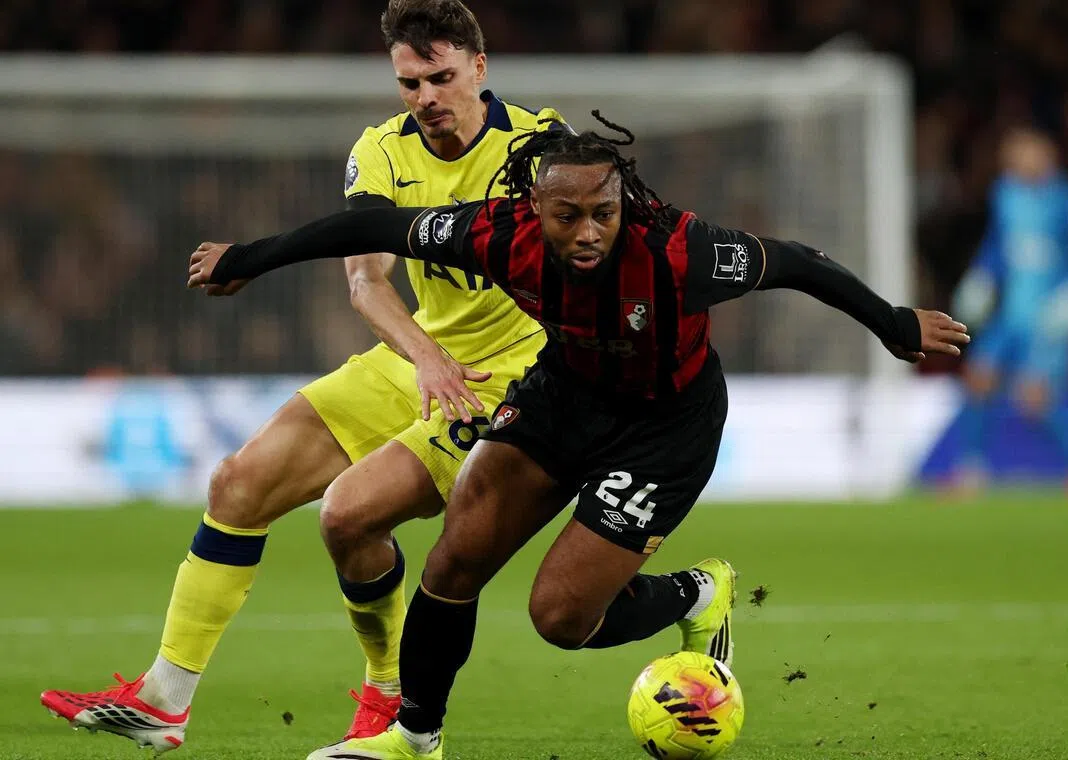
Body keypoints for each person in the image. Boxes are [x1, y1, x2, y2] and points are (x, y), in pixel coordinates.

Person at [188, 115, 971, 759]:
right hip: (565, 395)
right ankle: (414, 736)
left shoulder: (678, 251)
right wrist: (249, 260)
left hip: (665, 428)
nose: (589, 231)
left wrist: (894, 323)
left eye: (604, 212)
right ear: (536, 209)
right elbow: (369, 224)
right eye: (569, 216)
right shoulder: (497, 234)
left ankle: (697, 592)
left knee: (560, 618)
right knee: (457, 553)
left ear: (623, 200)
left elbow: (799, 263)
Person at [40, 0, 568, 752]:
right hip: (420, 356)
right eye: (409, 82)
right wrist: (424, 356)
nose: (425, 98)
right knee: (238, 484)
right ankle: (164, 699)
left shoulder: (540, 145)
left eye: (440, 78)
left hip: (516, 377)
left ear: (479, 70)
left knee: (348, 516)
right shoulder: (381, 151)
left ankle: (393, 700)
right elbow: (366, 281)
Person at [950, 126, 1068, 498]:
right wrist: (981, 277)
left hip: (1048, 317)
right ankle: (971, 472)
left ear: (1046, 156)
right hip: (1010, 315)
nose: (1015, 164)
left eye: (1023, 155)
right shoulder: (1006, 194)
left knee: (1035, 398)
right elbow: (997, 245)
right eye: (1010, 158)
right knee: (977, 379)